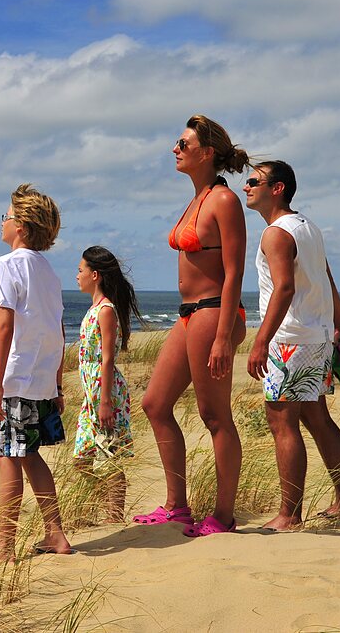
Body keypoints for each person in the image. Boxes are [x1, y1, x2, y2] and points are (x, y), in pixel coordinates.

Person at [139, 114, 249, 537]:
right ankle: (177, 506)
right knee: (155, 404)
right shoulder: (196, 198)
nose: (175, 150)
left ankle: (223, 516)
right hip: (188, 314)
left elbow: (233, 271)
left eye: (183, 144)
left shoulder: (223, 200)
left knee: (214, 414)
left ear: (207, 153)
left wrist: (224, 334)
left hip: (212, 312)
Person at [244, 160, 340, 529]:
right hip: (317, 336)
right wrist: (338, 326)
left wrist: (261, 340)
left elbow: (285, 288)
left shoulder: (276, 233)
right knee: (318, 419)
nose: (246, 187)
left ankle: (289, 514)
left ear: (277, 188)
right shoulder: (308, 227)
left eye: (254, 181)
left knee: (283, 424)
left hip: (290, 341)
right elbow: (327, 281)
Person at [0, 183, 72, 561]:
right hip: (40, 378)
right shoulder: (48, 271)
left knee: (10, 457)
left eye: (5, 216)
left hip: (17, 379)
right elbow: (58, 328)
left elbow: (4, 327)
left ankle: (5, 545)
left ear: (20, 225)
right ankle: (54, 534)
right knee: (29, 455)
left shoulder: (6, 264)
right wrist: (56, 381)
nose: (1, 223)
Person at [72, 246, 141, 522]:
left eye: (80, 270)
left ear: (95, 275)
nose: (77, 276)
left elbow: (108, 358)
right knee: (83, 459)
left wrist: (105, 401)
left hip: (105, 392)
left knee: (108, 455)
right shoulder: (94, 309)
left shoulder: (106, 310)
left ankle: (114, 517)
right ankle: (105, 509)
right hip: (93, 394)